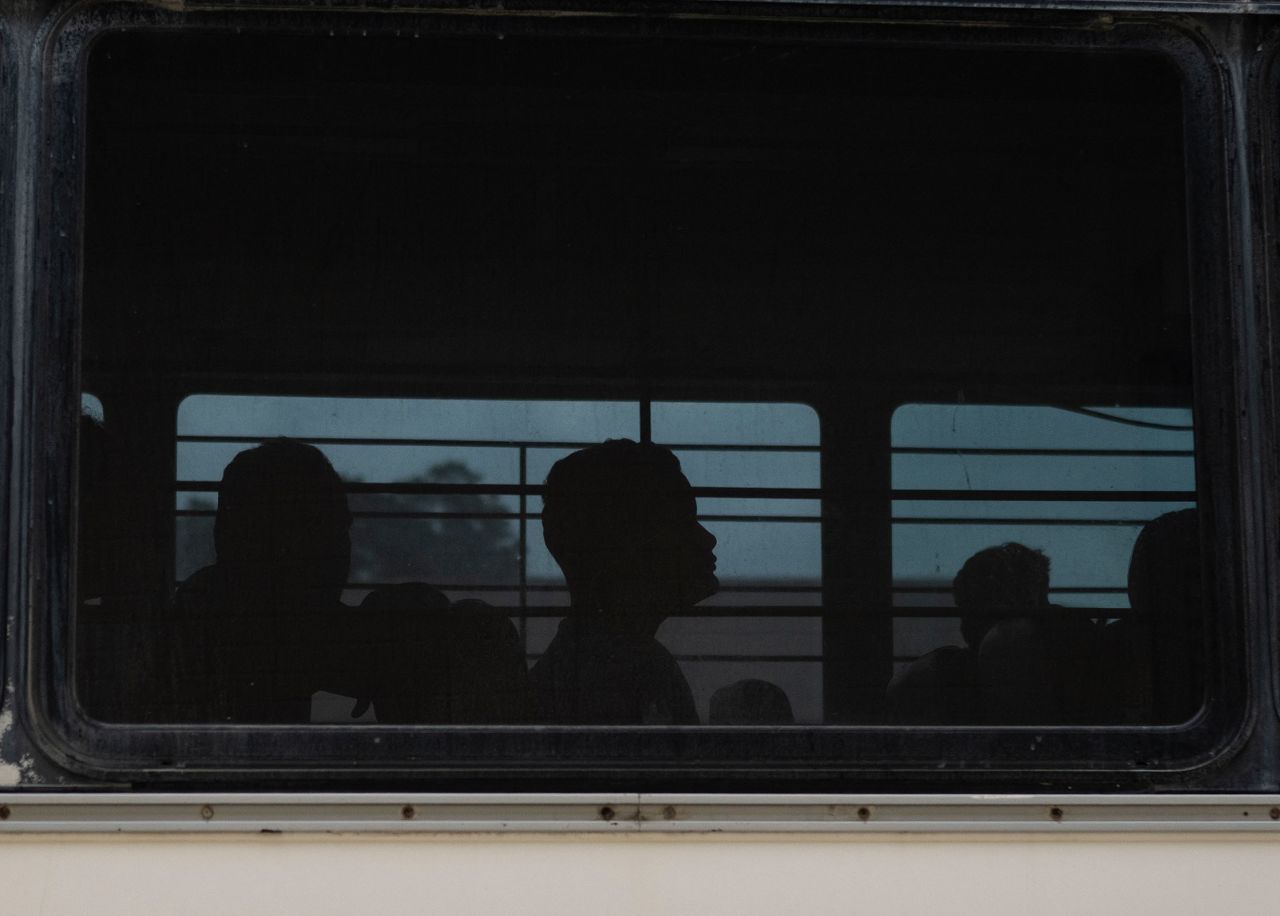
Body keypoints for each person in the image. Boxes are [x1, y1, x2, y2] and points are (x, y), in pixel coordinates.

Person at [530, 439, 717, 724]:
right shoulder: (618, 676)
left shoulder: (602, 664)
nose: (708, 538)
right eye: (681, 522)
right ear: (629, 545)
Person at [169, 439, 355, 722]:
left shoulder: (223, 602)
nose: (342, 550)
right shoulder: (218, 617)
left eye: (339, 529)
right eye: (324, 529)